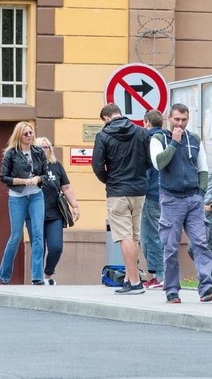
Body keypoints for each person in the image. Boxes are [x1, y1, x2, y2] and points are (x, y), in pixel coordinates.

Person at [151, 103, 212, 304]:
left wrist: (201, 193)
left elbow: (203, 168)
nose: (180, 124)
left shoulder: (194, 140)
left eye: (184, 120)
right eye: (176, 119)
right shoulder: (159, 139)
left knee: (201, 243)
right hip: (171, 199)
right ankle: (172, 289)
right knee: (171, 246)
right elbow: (159, 163)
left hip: (193, 199)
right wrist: (173, 143)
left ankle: (206, 287)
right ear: (168, 118)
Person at [91, 102, 151, 295]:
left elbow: (97, 165)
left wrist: (108, 180)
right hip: (139, 190)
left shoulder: (104, 135)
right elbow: (149, 161)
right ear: (120, 114)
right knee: (134, 236)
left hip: (118, 191)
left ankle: (134, 281)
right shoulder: (141, 132)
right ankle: (128, 278)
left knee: (124, 236)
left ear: (106, 118)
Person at [0, 121, 47, 286]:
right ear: (19, 135)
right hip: (17, 197)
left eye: (31, 132)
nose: (30, 136)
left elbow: (46, 174)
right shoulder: (11, 153)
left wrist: (37, 179)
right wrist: (22, 181)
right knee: (16, 235)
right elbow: (3, 177)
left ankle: (37, 276)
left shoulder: (38, 152)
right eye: (26, 134)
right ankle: (4, 274)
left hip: (36, 196)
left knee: (38, 234)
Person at [35, 136, 81, 285]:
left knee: (56, 247)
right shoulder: (31, 166)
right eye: (41, 147)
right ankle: (37, 278)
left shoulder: (57, 166)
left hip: (54, 213)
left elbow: (66, 187)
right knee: (39, 248)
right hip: (35, 213)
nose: (44, 150)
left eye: (46, 147)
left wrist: (75, 206)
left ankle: (47, 275)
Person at [141, 109, 167, 289]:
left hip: (151, 193)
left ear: (147, 123)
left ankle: (161, 276)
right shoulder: (168, 138)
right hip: (167, 192)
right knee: (152, 235)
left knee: (152, 236)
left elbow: (146, 168)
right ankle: (156, 275)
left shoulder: (147, 140)